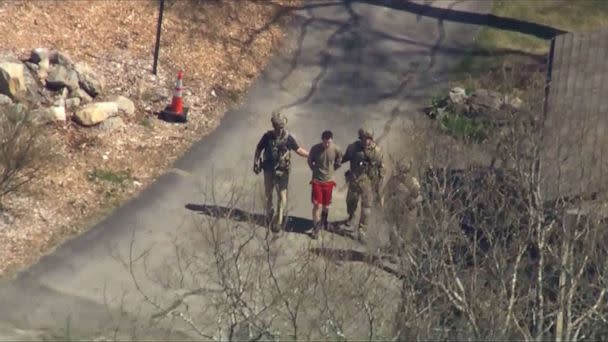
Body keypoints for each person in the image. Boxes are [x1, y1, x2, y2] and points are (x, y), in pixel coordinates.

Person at [253, 111, 309, 232]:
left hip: (283, 172)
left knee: (282, 197)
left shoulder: (288, 138)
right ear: (274, 126)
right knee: (268, 194)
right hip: (268, 170)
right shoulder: (267, 137)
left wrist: (310, 155)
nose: (280, 129)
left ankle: (278, 220)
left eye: (281, 126)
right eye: (278, 126)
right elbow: (258, 149)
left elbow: (298, 149)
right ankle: (269, 214)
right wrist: (256, 162)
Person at [341, 127, 385, 241]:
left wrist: (379, 183)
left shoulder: (377, 151)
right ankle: (351, 217)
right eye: (364, 138)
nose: (367, 141)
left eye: (369, 139)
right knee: (350, 202)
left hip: (368, 183)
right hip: (354, 180)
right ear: (360, 138)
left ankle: (362, 230)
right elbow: (343, 158)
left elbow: (381, 167)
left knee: (366, 207)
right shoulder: (353, 148)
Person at [307, 130, 343, 239]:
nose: (327, 144)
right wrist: (314, 170)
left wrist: (332, 171)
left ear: (332, 141)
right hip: (317, 180)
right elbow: (309, 161)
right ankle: (316, 228)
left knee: (326, 205)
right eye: (325, 142)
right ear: (322, 140)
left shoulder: (336, 149)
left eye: (329, 142)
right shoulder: (315, 149)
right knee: (317, 204)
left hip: (329, 182)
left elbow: (339, 161)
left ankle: (324, 221)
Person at [383, 160, 422, 254]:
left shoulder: (413, 182)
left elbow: (419, 197)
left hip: (407, 211)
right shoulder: (394, 180)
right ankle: (394, 250)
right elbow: (386, 193)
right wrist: (385, 206)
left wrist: (413, 202)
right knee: (393, 231)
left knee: (404, 234)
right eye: (401, 172)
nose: (403, 174)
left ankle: (401, 251)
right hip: (395, 208)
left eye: (405, 172)